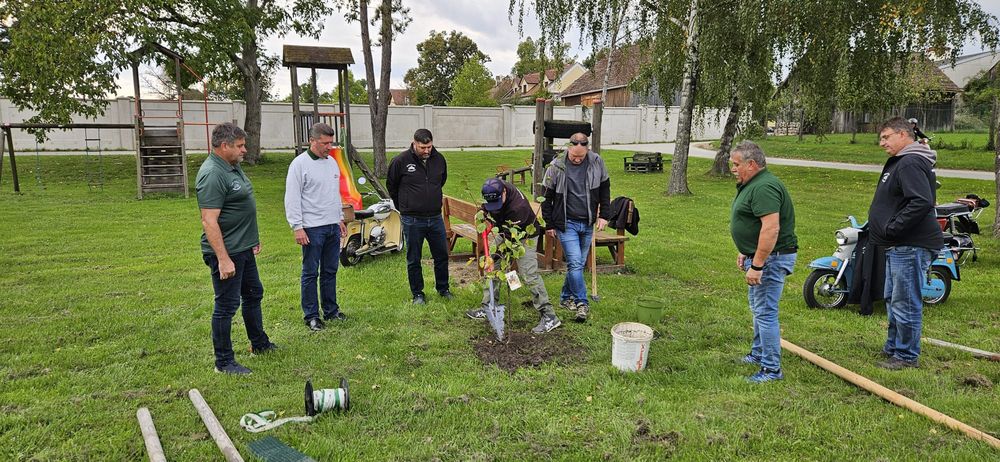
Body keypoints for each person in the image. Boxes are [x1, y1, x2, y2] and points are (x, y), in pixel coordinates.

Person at [196, 122, 276, 375]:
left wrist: (252, 238)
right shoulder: (212, 174)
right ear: (224, 146)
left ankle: (259, 343)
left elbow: (241, 206)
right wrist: (223, 259)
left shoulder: (232, 166)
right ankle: (224, 362)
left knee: (253, 293)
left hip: (244, 247)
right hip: (227, 251)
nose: (244, 150)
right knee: (227, 305)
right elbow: (209, 221)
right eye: (240, 146)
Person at [869, 117, 943, 370]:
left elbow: (921, 201)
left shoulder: (910, 161)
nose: (882, 143)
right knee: (893, 298)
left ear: (902, 134)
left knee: (905, 301)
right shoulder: (903, 161)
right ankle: (893, 347)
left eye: (886, 137)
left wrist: (893, 227)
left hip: (911, 244)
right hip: (900, 244)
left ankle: (907, 356)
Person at [729, 140, 797, 384]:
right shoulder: (754, 183)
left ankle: (771, 369)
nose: (733, 168)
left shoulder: (764, 187)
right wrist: (746, 252)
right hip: (761, 256)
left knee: (766, 312)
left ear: (751, 164)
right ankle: (758, 354)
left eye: (736, 164)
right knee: (759, 309)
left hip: (772, 259)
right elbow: (754, 224)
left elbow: (771, 228)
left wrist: (757, 264)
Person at [467, 178, 561, 333]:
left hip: (524, 235)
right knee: (493, 270)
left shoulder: (518, 208)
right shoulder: (495, 188)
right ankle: (488, 306)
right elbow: (487, 208)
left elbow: (510, 242)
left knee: (528, 274)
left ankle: (549, 316)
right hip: (506, 231)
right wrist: (483, 213)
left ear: (504, 192)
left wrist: (496, 261)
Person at [284, 123, 348, 332]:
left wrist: (339, 218)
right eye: (325, 143)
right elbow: (292, 198)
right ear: (312, 141)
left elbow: (334, 194)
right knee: (310, 272)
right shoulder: (299, 164)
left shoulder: (332, 163)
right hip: (312, 228)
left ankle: (331, 310)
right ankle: (311, 316)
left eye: (331, 143)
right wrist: (297, 226)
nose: (329, 147)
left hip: (332, 226)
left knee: (330, 270)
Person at [541, 132, 611, 322]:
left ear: (587, 149)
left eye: (581, 156)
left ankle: (565, 298)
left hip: (587, 222)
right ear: (568, 148)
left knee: (577, 264)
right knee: (575, 263)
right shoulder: (556, 166)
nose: (577, 159)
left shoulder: (596, 162)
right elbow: (545, 197)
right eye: (574, 156)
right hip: (566, 223)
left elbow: (605, 189)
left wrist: (604, 215)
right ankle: (582, 303)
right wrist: (549, 224)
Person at [387, 128, 451, 304]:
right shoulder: (400, 161)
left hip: (435, 217)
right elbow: (392, 186)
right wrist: (404, 207)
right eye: (423, 147)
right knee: (414, 258)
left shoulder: (439, 159)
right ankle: (418, 293)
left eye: (429, 147)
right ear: (414, 143)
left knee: (441, 255)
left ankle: (443, 288)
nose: (427, 151)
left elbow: (441, 181)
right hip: (412, 219)